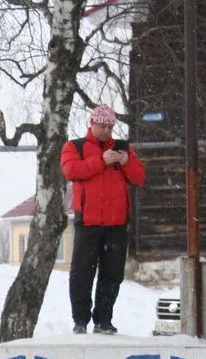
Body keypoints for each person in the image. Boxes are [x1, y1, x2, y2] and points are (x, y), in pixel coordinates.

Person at [61, 103, 146, 335]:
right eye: (102, 126)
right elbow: (71, 171)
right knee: (81, 273)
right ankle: (80, 320)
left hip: (117, 223)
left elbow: (139, 177)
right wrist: (102, 161)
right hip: (88, 222)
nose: (106, 131)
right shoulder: (74, 146)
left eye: (110, 126)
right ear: (92, 123)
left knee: (112, 274)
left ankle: (104, 320)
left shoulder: (123, 148)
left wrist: (127, 162)